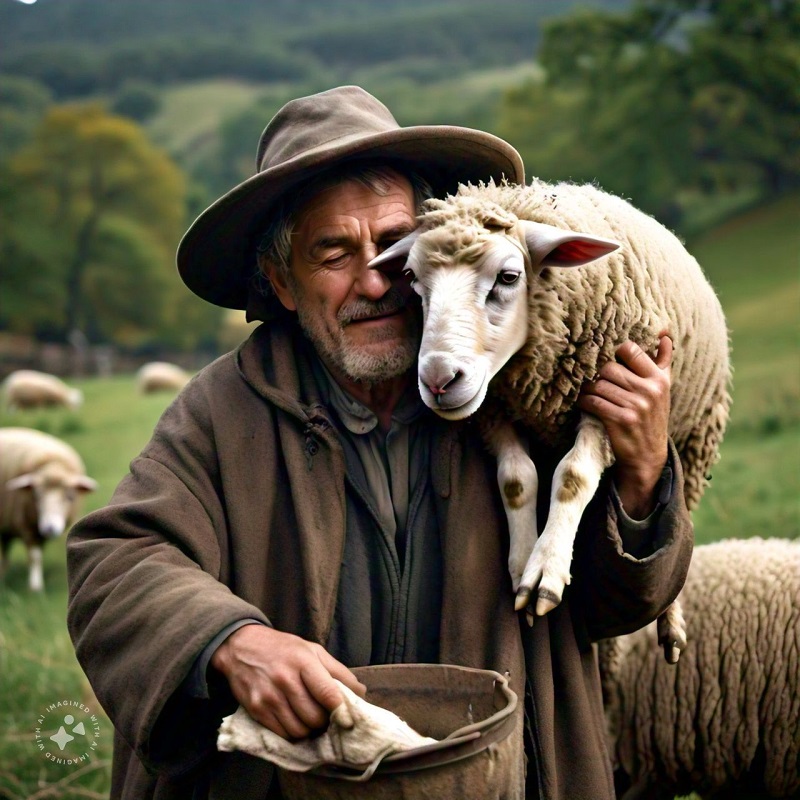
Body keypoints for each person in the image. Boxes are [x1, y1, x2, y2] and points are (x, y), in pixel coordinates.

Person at [66, 85, 693, 800]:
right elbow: (115, 563)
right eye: (334, 252)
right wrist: (229, 641)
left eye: (395, 246)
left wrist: (643, 474)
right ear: (282, 281)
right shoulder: (224, 411)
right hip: (288, 784)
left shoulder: (528, 393)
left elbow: (614, 609)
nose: (376, 281)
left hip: (498, 777)